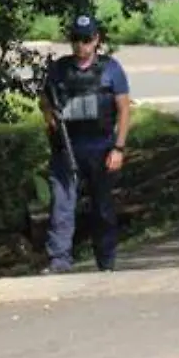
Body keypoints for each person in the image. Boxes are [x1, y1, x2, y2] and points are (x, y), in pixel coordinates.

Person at [40, 14, 132, 274]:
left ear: (96, 40)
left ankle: (106, 261)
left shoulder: (111, 68)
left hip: (101, 147)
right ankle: (59, 260)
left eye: (86, 40)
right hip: (67, 147)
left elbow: (124, 109)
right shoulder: (59, 69)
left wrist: (119, 148)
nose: (81, 45)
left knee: (102, 207)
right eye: (76, 40)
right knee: (61, 204)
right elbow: (45, 101)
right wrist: (50, 118)